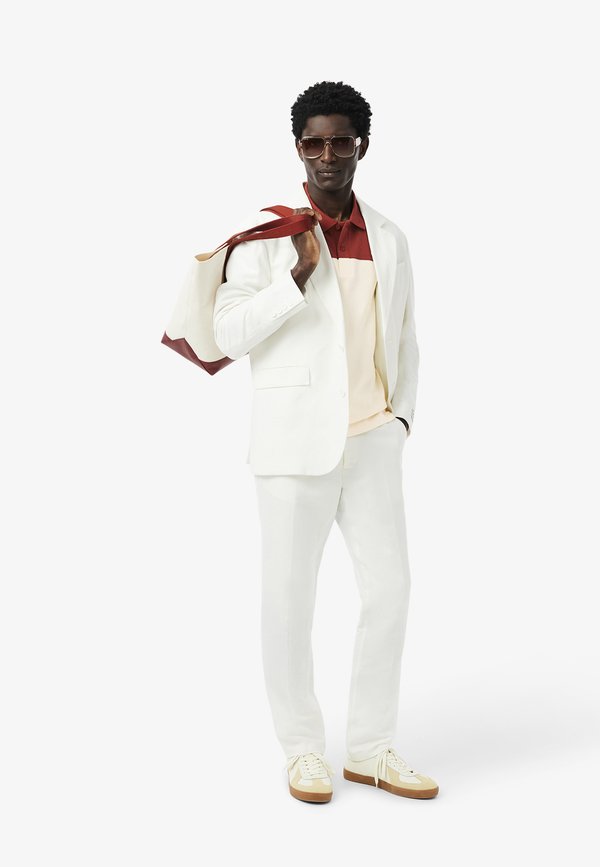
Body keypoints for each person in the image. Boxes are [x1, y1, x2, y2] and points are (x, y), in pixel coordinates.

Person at [213, 80, 438, 804]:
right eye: (315, 142)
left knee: (390, 591)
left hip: (372, 441)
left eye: (341, 141)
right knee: (289, 600)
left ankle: (370, 747)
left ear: (361, 146)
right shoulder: (266, 236)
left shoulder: (390, 237)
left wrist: (401, 419)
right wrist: (296, 277)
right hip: (292, 449)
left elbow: (405, 335)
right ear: (298, 149)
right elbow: (227, 333)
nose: (328, 154)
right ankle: (303, 749)